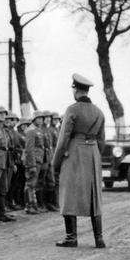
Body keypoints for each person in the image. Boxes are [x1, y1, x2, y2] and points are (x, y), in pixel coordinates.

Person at [52, 73, 106, 249]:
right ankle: (99, 239)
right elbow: (102, 141)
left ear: (75, 90)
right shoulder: (99, 112)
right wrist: (95, 155)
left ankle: (71, 238)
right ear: (87, 91)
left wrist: (56, 162)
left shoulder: (72, 110)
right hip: (92, 154)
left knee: (69, 193)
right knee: (94, 196)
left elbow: (63, 139)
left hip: (74, 153)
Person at [24, 111, 46, 215]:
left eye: (42, 118)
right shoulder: (31, 130)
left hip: (39, 160)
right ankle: (29, 206)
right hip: (33, 160)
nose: (40, 120)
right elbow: (29, 149)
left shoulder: (38, 130)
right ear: (34, 119)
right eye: (38, 118)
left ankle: (34, 205)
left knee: (35, 183)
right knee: (31, 184)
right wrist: (32, 164)